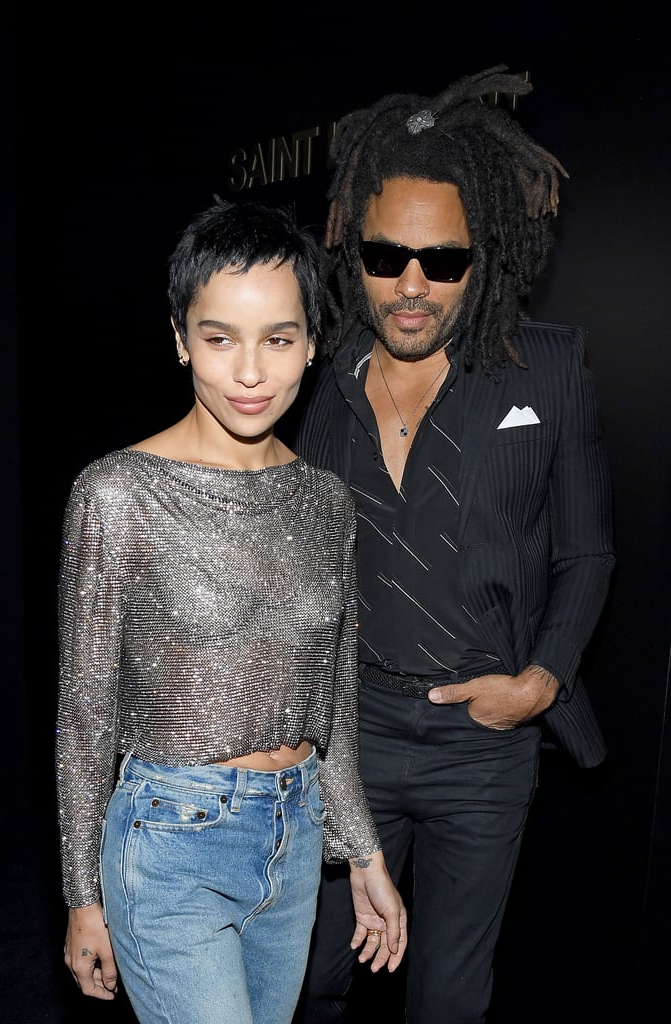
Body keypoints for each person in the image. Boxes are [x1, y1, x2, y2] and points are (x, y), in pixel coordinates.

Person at [289, 65, 615, 1023]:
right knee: (312, 978)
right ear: (354, 253)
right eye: (387, 256)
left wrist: (541, 682)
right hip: (352, 733)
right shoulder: (318, 375)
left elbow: (586, 553)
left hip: (483, 744)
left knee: (447, 999)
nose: (412, 285)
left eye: (444, 261)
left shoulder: (547, 370)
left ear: (487, 259)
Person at [55, 196, 407, 1024]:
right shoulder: (117, 493)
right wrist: (80, 896)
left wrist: (362, 852)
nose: (250, 372)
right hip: (169, 842)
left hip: (294, 847)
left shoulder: (326, 504)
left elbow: (334, 712)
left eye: (278, 339)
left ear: (313, 344)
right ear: (180, 339)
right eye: (219, 338)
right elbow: (84, 715)